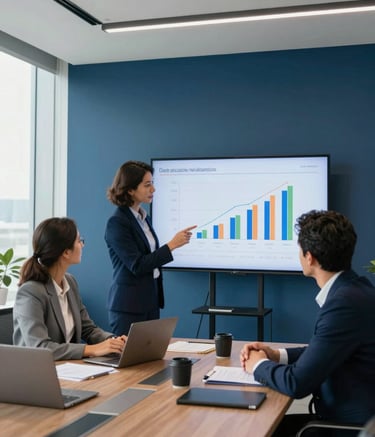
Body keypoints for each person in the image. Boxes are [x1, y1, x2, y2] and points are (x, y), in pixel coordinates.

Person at [240, 210, 375, 436]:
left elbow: (296, 383)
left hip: (345, 428)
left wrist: (257, 365)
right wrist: (275, 355)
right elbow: (323, 351)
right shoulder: (355, 290)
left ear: (309, 257)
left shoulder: (343, 304)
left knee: (255, 428)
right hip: (347, 419)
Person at [13, 217, 126, 361]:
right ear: (66, 252)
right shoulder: (30, 291)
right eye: (79, 241)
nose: (82, 245)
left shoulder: (70, 283)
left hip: (68, 369)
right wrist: (90, 350)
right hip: (36, 373)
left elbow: (88, 329)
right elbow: (39, 347)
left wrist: (114, 342)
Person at [105, 160, 196, 335]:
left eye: (152, 184)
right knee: (131, 360)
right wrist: (171, 246)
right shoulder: (117, 223)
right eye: (147, 185)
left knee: (150, 359)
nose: (153, 189)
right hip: (128, 307)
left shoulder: (143, 218)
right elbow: (137, 265)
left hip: (149, 301)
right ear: (130, 189)